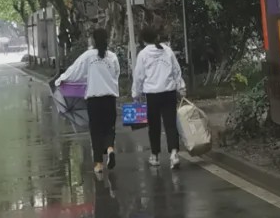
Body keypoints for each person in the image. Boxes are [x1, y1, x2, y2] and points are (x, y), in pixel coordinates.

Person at [56, 28, 120, 174]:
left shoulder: (88, 56)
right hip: (110, 98)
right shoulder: (112, 57)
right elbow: (116, 74)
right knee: (109, 128)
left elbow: (74, 71)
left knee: (96, 131)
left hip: (94, 100)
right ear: (107, 39)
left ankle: (98, 164)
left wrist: (61, 80)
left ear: (93, 40)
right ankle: (110, 148)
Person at [132, 24, 185, 170]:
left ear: (143, 40)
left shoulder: (143, 54)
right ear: (156, 37)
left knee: (154, 126)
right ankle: (174, 154)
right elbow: (176, 71)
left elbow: (139, 77)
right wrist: (181, 87)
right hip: (168, 93)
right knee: (170, 124)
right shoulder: (167, 51)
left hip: (152, 95)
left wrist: (135, 94)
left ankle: (155, 155)